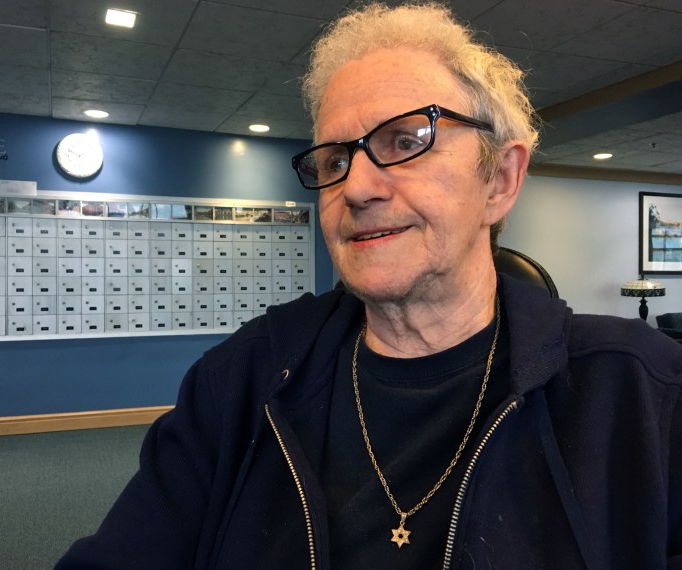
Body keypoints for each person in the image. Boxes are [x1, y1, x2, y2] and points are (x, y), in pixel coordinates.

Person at [57, 2, 682, 568]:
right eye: (334, 159)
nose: (355, 187)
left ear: (499, 180)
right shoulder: (241, 381)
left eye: (407, 140)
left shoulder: (641, 390)